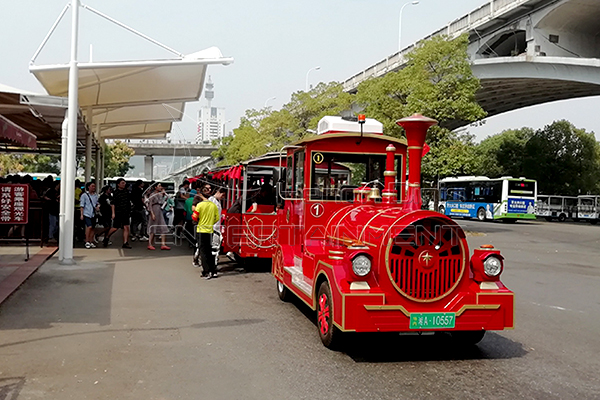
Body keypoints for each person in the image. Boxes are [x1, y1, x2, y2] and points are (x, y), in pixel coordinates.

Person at [192, 188, 220, 278]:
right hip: (210, 230)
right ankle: (213, 270)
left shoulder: (199, 205)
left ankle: (206, 271)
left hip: (201, 230)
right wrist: (211, 222)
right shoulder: (213, 205)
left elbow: (194, 217)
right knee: (210, 251)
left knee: (203, 251)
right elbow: (217, 218)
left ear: (201, 195)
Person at [105, 178, 132, 248]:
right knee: (115, 227)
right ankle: (107, 236)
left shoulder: (127, 192)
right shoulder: (115, 193)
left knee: (126, 227)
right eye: (122, 183)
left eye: (124, 183)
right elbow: (113, 203)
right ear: (118, 184)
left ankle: (125, 242)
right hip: (118, 212)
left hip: (126, 212)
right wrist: (113, 213)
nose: (124, 184)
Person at [147, 183, 170, 250]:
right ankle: (150, 243)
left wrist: (164, 195)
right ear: (155, 187)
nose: (160, 187)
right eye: (159, 186)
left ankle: (163, 244)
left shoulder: (160, 194)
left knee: (163, 227)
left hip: (159, 211)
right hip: (154, 210)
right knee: (152, 227)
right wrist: (152, 213)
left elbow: (164, 202)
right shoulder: (152, 195)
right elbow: (150, 205)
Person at [80, 182, 99, 249]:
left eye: (94, 186)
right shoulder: (84, 195)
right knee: (89, 226)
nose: (94, 187)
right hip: (86, 213)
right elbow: (82, 205)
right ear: (88, 187)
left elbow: (97, 203)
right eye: (92, 186)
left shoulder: (95, 195)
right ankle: (87, 241)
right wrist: (81, 214)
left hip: (93, 213)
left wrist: (98, 207)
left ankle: (91, 241)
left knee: (93, 227)